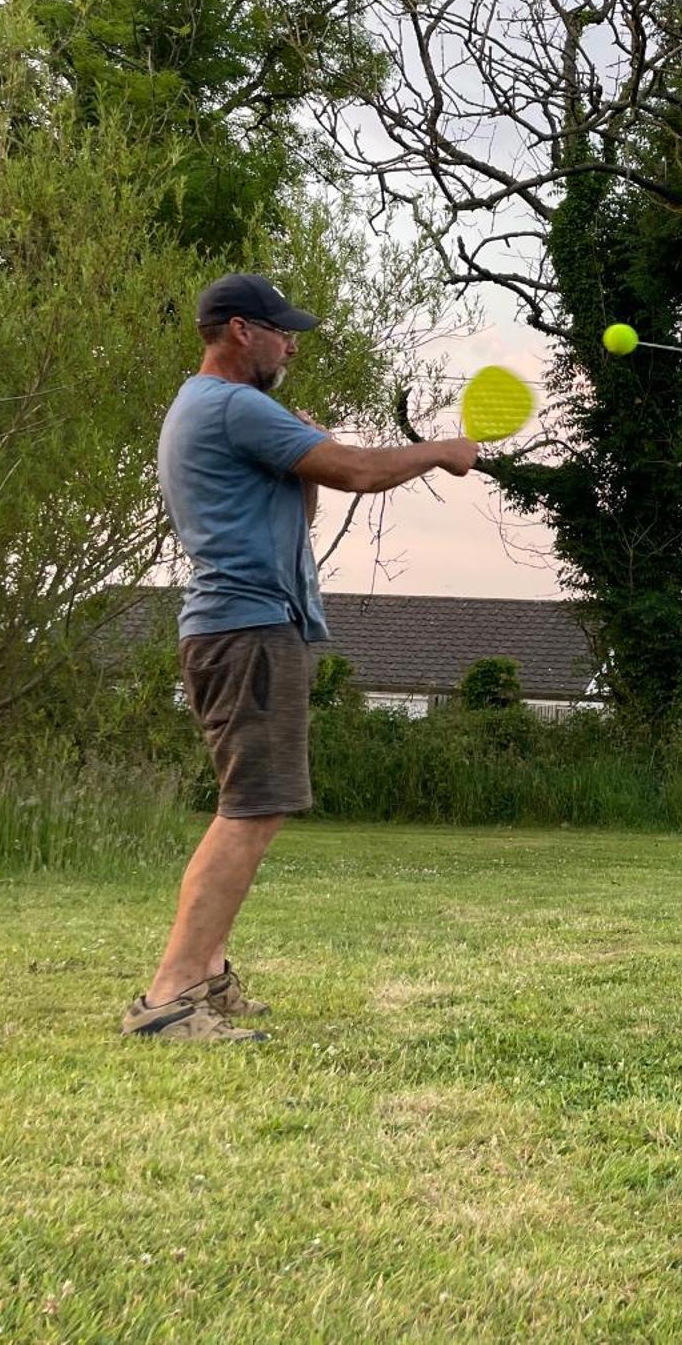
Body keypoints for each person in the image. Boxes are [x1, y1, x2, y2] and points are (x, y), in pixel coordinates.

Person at [122, 273, 477, 1042]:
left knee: (258, 806)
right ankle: (170, 995)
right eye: (283, 331)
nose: (293, 344)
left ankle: (208, 976)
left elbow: (307, 501)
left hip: (241, 627)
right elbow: (356, 472)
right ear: (241, 331)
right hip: (245, 630)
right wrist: (439, 451)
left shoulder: (206, 408)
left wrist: (301, 451)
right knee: (249, 810)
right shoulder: (233, 405)